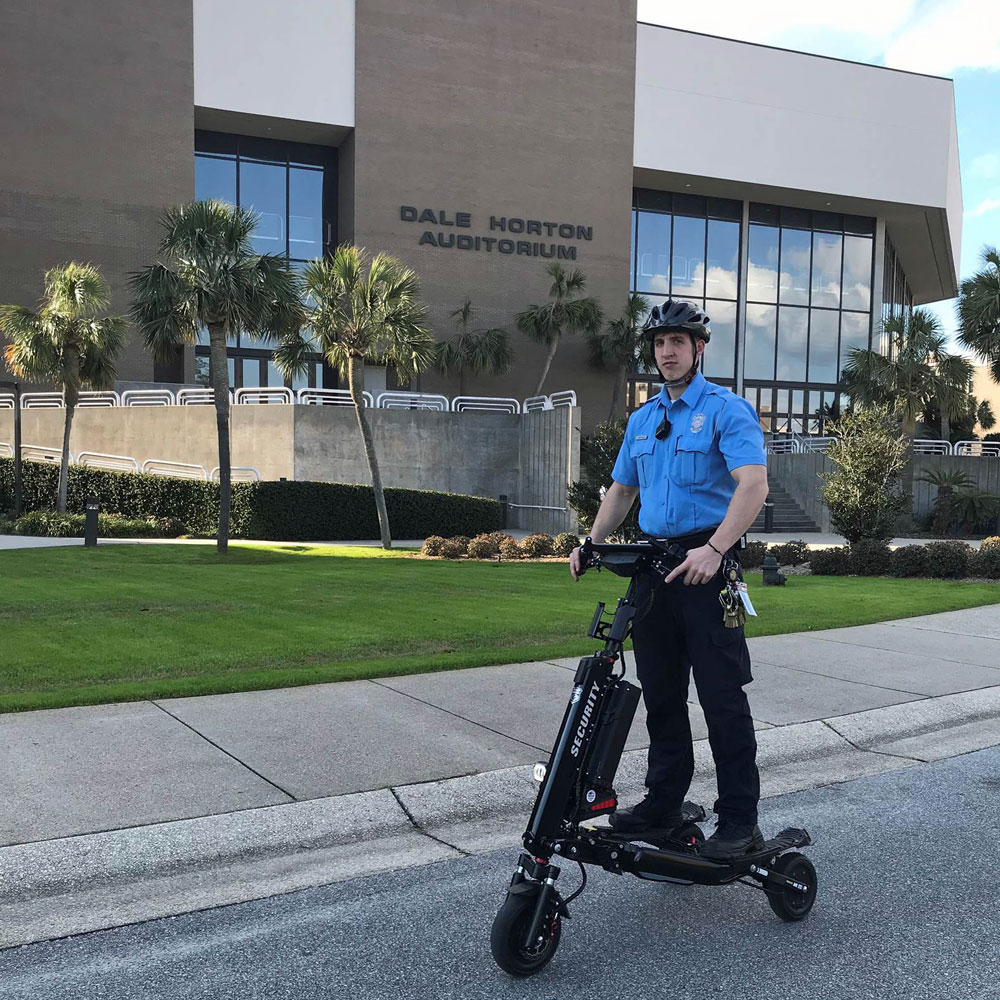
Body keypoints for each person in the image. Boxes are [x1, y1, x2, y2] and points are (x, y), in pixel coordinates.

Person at [569, 298, 769, 861]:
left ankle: (738, 821)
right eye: (659, 343)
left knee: (721, 699)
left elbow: (752, 485)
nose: (667, 352)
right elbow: (622, 491)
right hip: (654, 570)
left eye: (678, 342)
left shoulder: (727, 410)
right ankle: (663, 803)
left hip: (707, 568)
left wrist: (715, 549)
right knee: (660, 696)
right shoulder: (642, 419)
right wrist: (591, 541)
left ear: (698, 348)